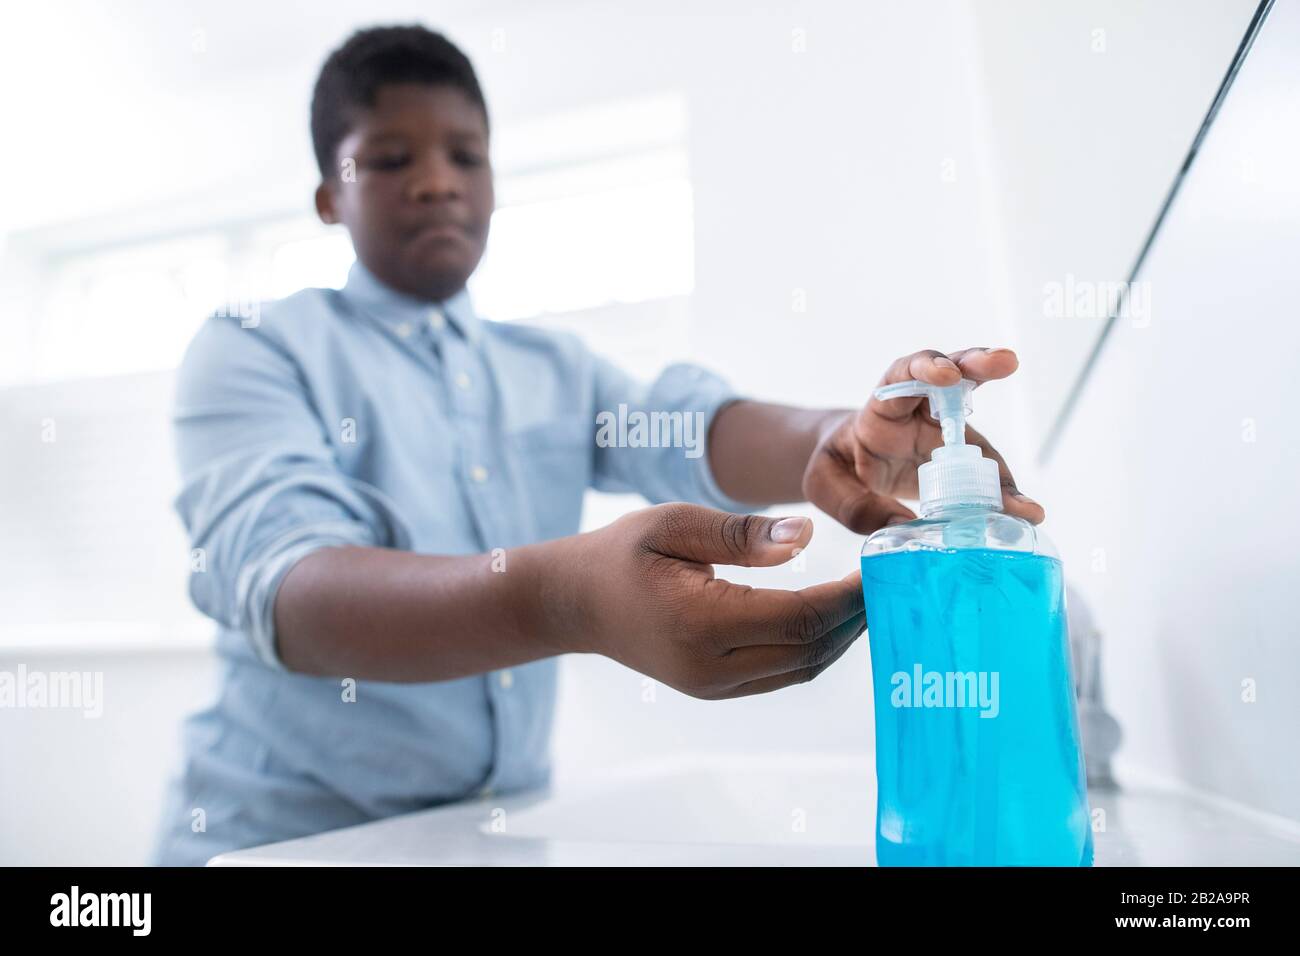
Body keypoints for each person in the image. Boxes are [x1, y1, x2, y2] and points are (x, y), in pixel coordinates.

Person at [150, 24, 1040, 865]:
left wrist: (834, 437)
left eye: (466, 156)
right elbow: (290, 593)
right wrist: (566, 601)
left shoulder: (550, 366)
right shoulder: (253, 347)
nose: (436, 181)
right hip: (279, 842)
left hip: (488, 835)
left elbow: (688, 427)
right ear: (327, 197)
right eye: (389, 159)